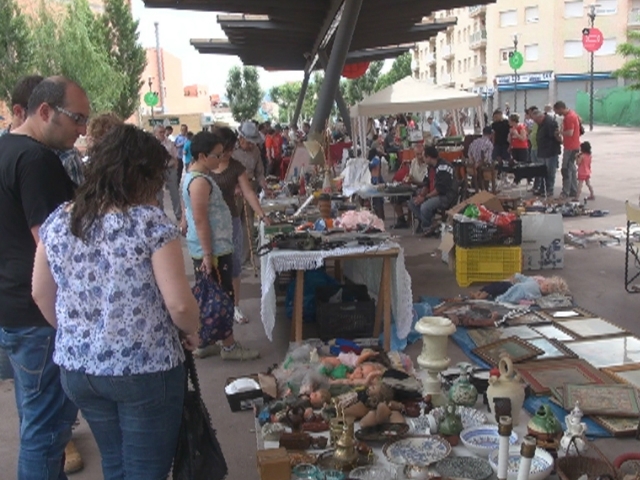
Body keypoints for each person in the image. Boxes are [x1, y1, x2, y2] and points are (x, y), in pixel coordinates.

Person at [32, 124, 200, 480]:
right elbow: (180, 306)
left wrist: (80, 335)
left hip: (79, 369)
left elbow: (40, 293)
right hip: (145, 368)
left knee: (116, 463)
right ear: (143, 175)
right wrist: (193, 332)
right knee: (144, 471)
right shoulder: (148, 222)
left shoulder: (60, 220)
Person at [0, 76, 88, 479]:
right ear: (45, 111)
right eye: (77, 118)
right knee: (47, 431)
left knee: (36, 421)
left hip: (14, 310)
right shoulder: (37, 161)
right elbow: (52, 245)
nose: (82, 129)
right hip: (39, 314)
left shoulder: (5, 150)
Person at [183, 131, 260, 361]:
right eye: (216, 156)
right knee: (221, 297)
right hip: (213, 250)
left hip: (214, 248)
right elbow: (200, 220)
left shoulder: (198, 177)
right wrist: (208, 254)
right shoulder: (198, 181)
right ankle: (228, 346)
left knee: (210, 296)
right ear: (202, 155)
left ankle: (207, 341)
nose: (219, 160)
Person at [211, 127, 270, 326]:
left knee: (234, 265)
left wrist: (261, 214)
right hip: (208, 223)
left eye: (230, 149)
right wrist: (185, 218)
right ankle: (214, 307)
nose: (228, 153)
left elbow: (249, 192)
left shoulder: (236, 166)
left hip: (231, 220)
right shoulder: (204, 166)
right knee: (211, 266)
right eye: (225, 150)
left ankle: (234, 305)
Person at [234, 121, 267, 266]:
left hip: (250, 187)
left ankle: (245, 257)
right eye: (249, 143)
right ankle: (234, 256)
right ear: (241, 139)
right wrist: (235, 186)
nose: (252, 145)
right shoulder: (232, 151)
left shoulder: (256, 151)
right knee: (234, 223)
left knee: (247, 224)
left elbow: (259, 173)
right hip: (234, 189)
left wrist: (264, 185)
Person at [408, 146, 458, 235]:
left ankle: (427, 227)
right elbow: (426, 183)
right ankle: (431, 224)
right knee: (412, 202)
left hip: (446, 196)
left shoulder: (443, 167)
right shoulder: (430, 168)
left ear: (429, 157)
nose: (422, 159)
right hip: (435, 194)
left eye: (424, 157)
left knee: (425, 207)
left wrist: (425, 198)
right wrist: (421, 196)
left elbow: (440, 189)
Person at [390, 144, 429, 229]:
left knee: (416, 197)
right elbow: (410, 175)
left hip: (421, 188)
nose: (419, 157)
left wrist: (413, 181)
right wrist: (408, 179)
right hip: (411, 186)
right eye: (417, 154)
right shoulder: (414, 162)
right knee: (394, 195)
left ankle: (419, 220)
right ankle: (401, 220)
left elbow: (425, 183)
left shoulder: (427, 165)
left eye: (421, 154)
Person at [469, 274, 569, 304]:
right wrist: (517, 276)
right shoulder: (535, 281)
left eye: (547, 290)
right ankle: (479, 293)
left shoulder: (538, 296)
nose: (545, 288)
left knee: (499, 290)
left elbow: (530, 300)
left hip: (515, 291)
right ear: (545, 281)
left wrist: (527, 301)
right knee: (495, 285)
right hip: (512, 287)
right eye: (546, 285)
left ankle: (482, 296)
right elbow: (525, 278)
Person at [154, 125, 182, 222]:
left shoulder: (169, 143)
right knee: (158, 194)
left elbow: (175, 156)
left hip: (170, 169)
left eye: (163, 132)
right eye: (160, 132)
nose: (162, 134)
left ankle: (178, 214)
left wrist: (176, 166)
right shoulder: (152, 144)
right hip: (157, 170)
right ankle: (160, 214)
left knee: (174, 191)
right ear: (155, 133)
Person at [532, 109, 561, 197]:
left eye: (536, 120)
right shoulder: (541, 123)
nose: (535, 122)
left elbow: (554, 136)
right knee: (543, 171)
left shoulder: (549, 122)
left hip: (550, 151)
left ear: (541, 117)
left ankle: (549, 190)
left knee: (550, 171)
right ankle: (542, 188)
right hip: (543, 151)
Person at [554, 101, 580, 199]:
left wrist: (560, 132)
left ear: (560, 108)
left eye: (556, 111)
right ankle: (573, 190)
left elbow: (570, 133)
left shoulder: (569, 117)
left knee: (566, 169)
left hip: (571, 147)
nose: (556, 113)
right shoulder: (572, 115)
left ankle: (566, 191)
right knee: (572, 168)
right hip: (573, 145)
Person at [468, 126, 495, 191]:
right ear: (491, 134)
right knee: (491, 169)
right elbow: (487, 160)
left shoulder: (474, 142)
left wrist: (474, 163)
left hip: (472, 169)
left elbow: (469, 154)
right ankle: (486, 190)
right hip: (482, 171)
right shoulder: (489, 144)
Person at [368, 150, 385, 220]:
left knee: (378, 200)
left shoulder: (376, 159)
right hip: (375, 180)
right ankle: (379, 217)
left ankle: (381, 217)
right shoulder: (375, 159)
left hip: (376, 180)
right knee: (376, 201)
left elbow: (371, 165)